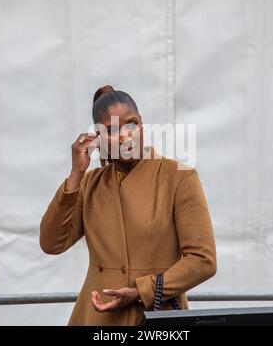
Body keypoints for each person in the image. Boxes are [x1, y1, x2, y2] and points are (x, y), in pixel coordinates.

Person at [39, 85, 217, 326]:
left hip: (155, 316)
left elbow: (202, 261)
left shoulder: (178, 177)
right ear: (98, 136)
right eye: (111, 130)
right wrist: (75, 174)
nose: (125, 136)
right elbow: (52, 243)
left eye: (131, 124)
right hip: (97, 318)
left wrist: (142, 291)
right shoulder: (90, 183)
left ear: (142, 124)